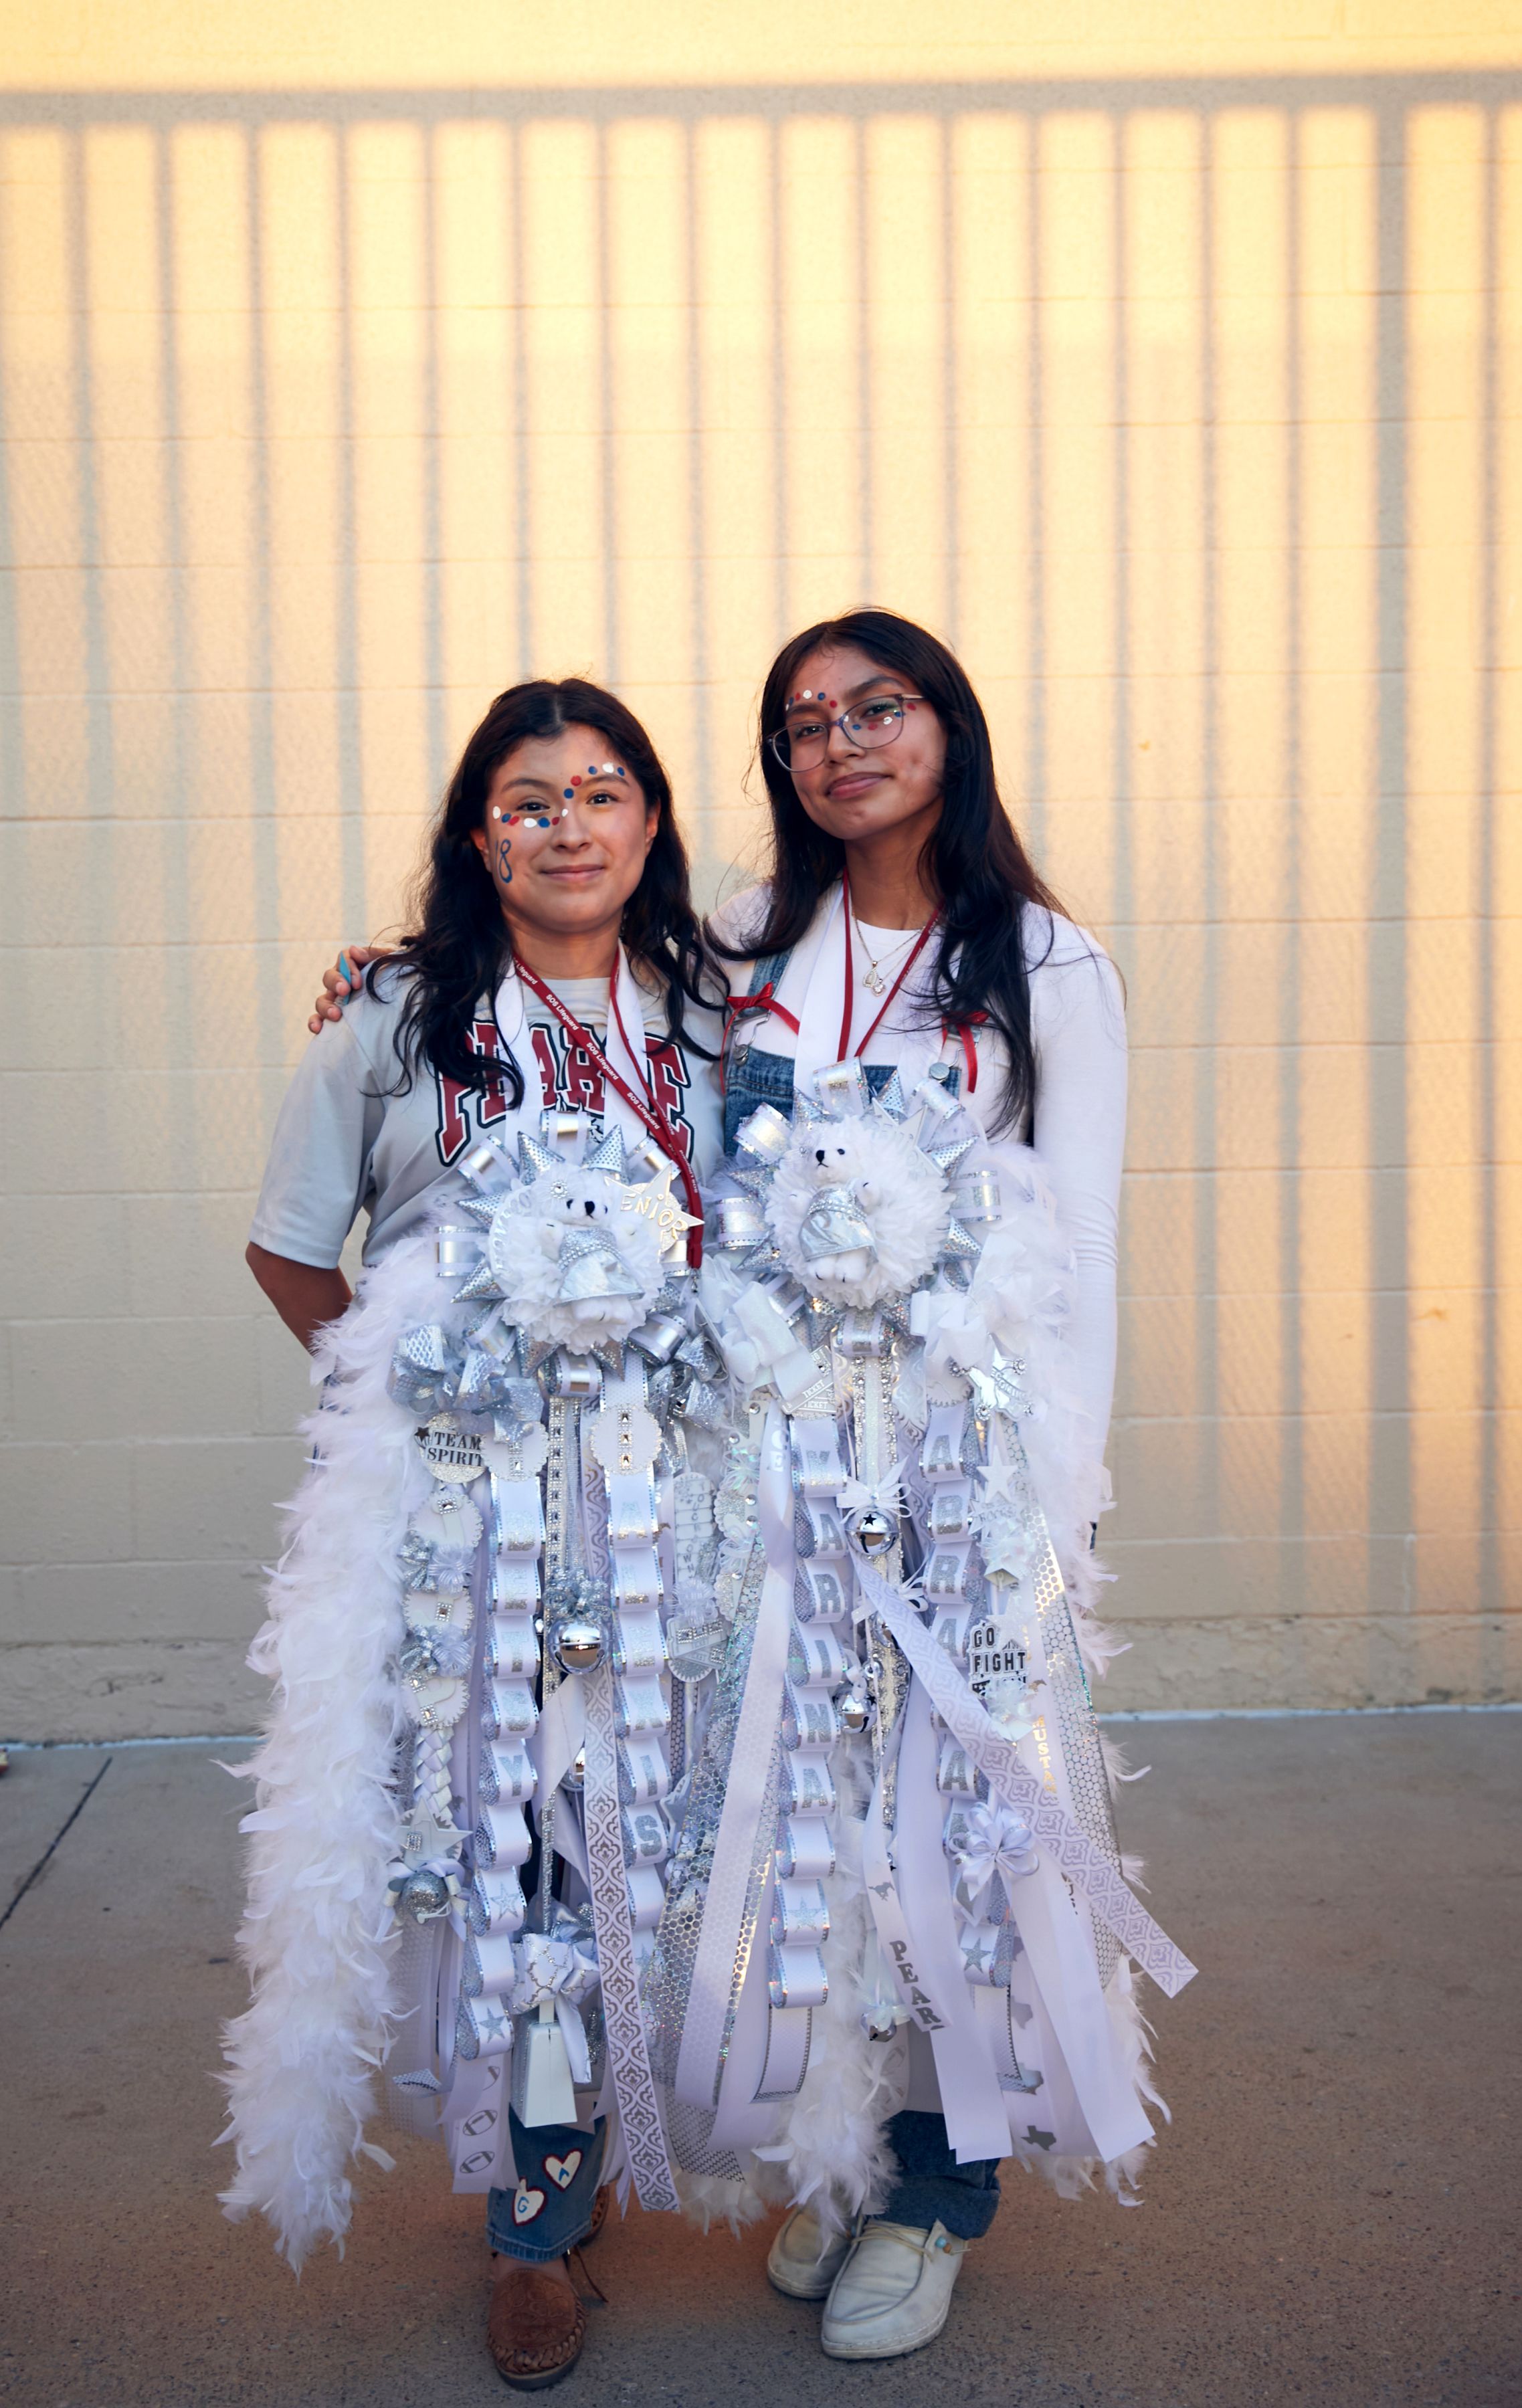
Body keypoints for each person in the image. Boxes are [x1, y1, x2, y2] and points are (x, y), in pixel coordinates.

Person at [303, 611, 1195, 2371]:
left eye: (880, 707)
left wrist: (1056, 1503)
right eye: (803, 722)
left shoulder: (1044, 963)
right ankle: (846, 2152)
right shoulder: (744, 950)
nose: (841, 741)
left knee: (952, 1837)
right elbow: (584, 994)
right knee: (805, 1854)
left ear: (952, 720)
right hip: (755, 1488)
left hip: (956, 1491)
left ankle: (940, 2196)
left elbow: (1078, 1250)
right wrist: (392, 975)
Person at [228, 678, 730, 2389]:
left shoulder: (716, 1019)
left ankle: (630, 2139)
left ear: (650, 823)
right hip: (468, 1522)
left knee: (649, 1839)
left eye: (602, 791)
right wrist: (414, 1397)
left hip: (681, 1501)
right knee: (507, 1848)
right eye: (529, 800)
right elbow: (296, 1251)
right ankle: (531, 2224)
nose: (569, 824)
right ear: (477, 837)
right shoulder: (391, 1019)